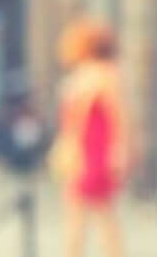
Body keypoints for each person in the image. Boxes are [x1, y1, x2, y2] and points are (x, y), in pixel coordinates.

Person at [50, 18, 137, 257]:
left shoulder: (105, 74)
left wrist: (119, 150)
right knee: (86, 215)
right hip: (83, 150)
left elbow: (120, 115)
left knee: (98, 214)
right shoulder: (89, 73)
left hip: (94, 151)